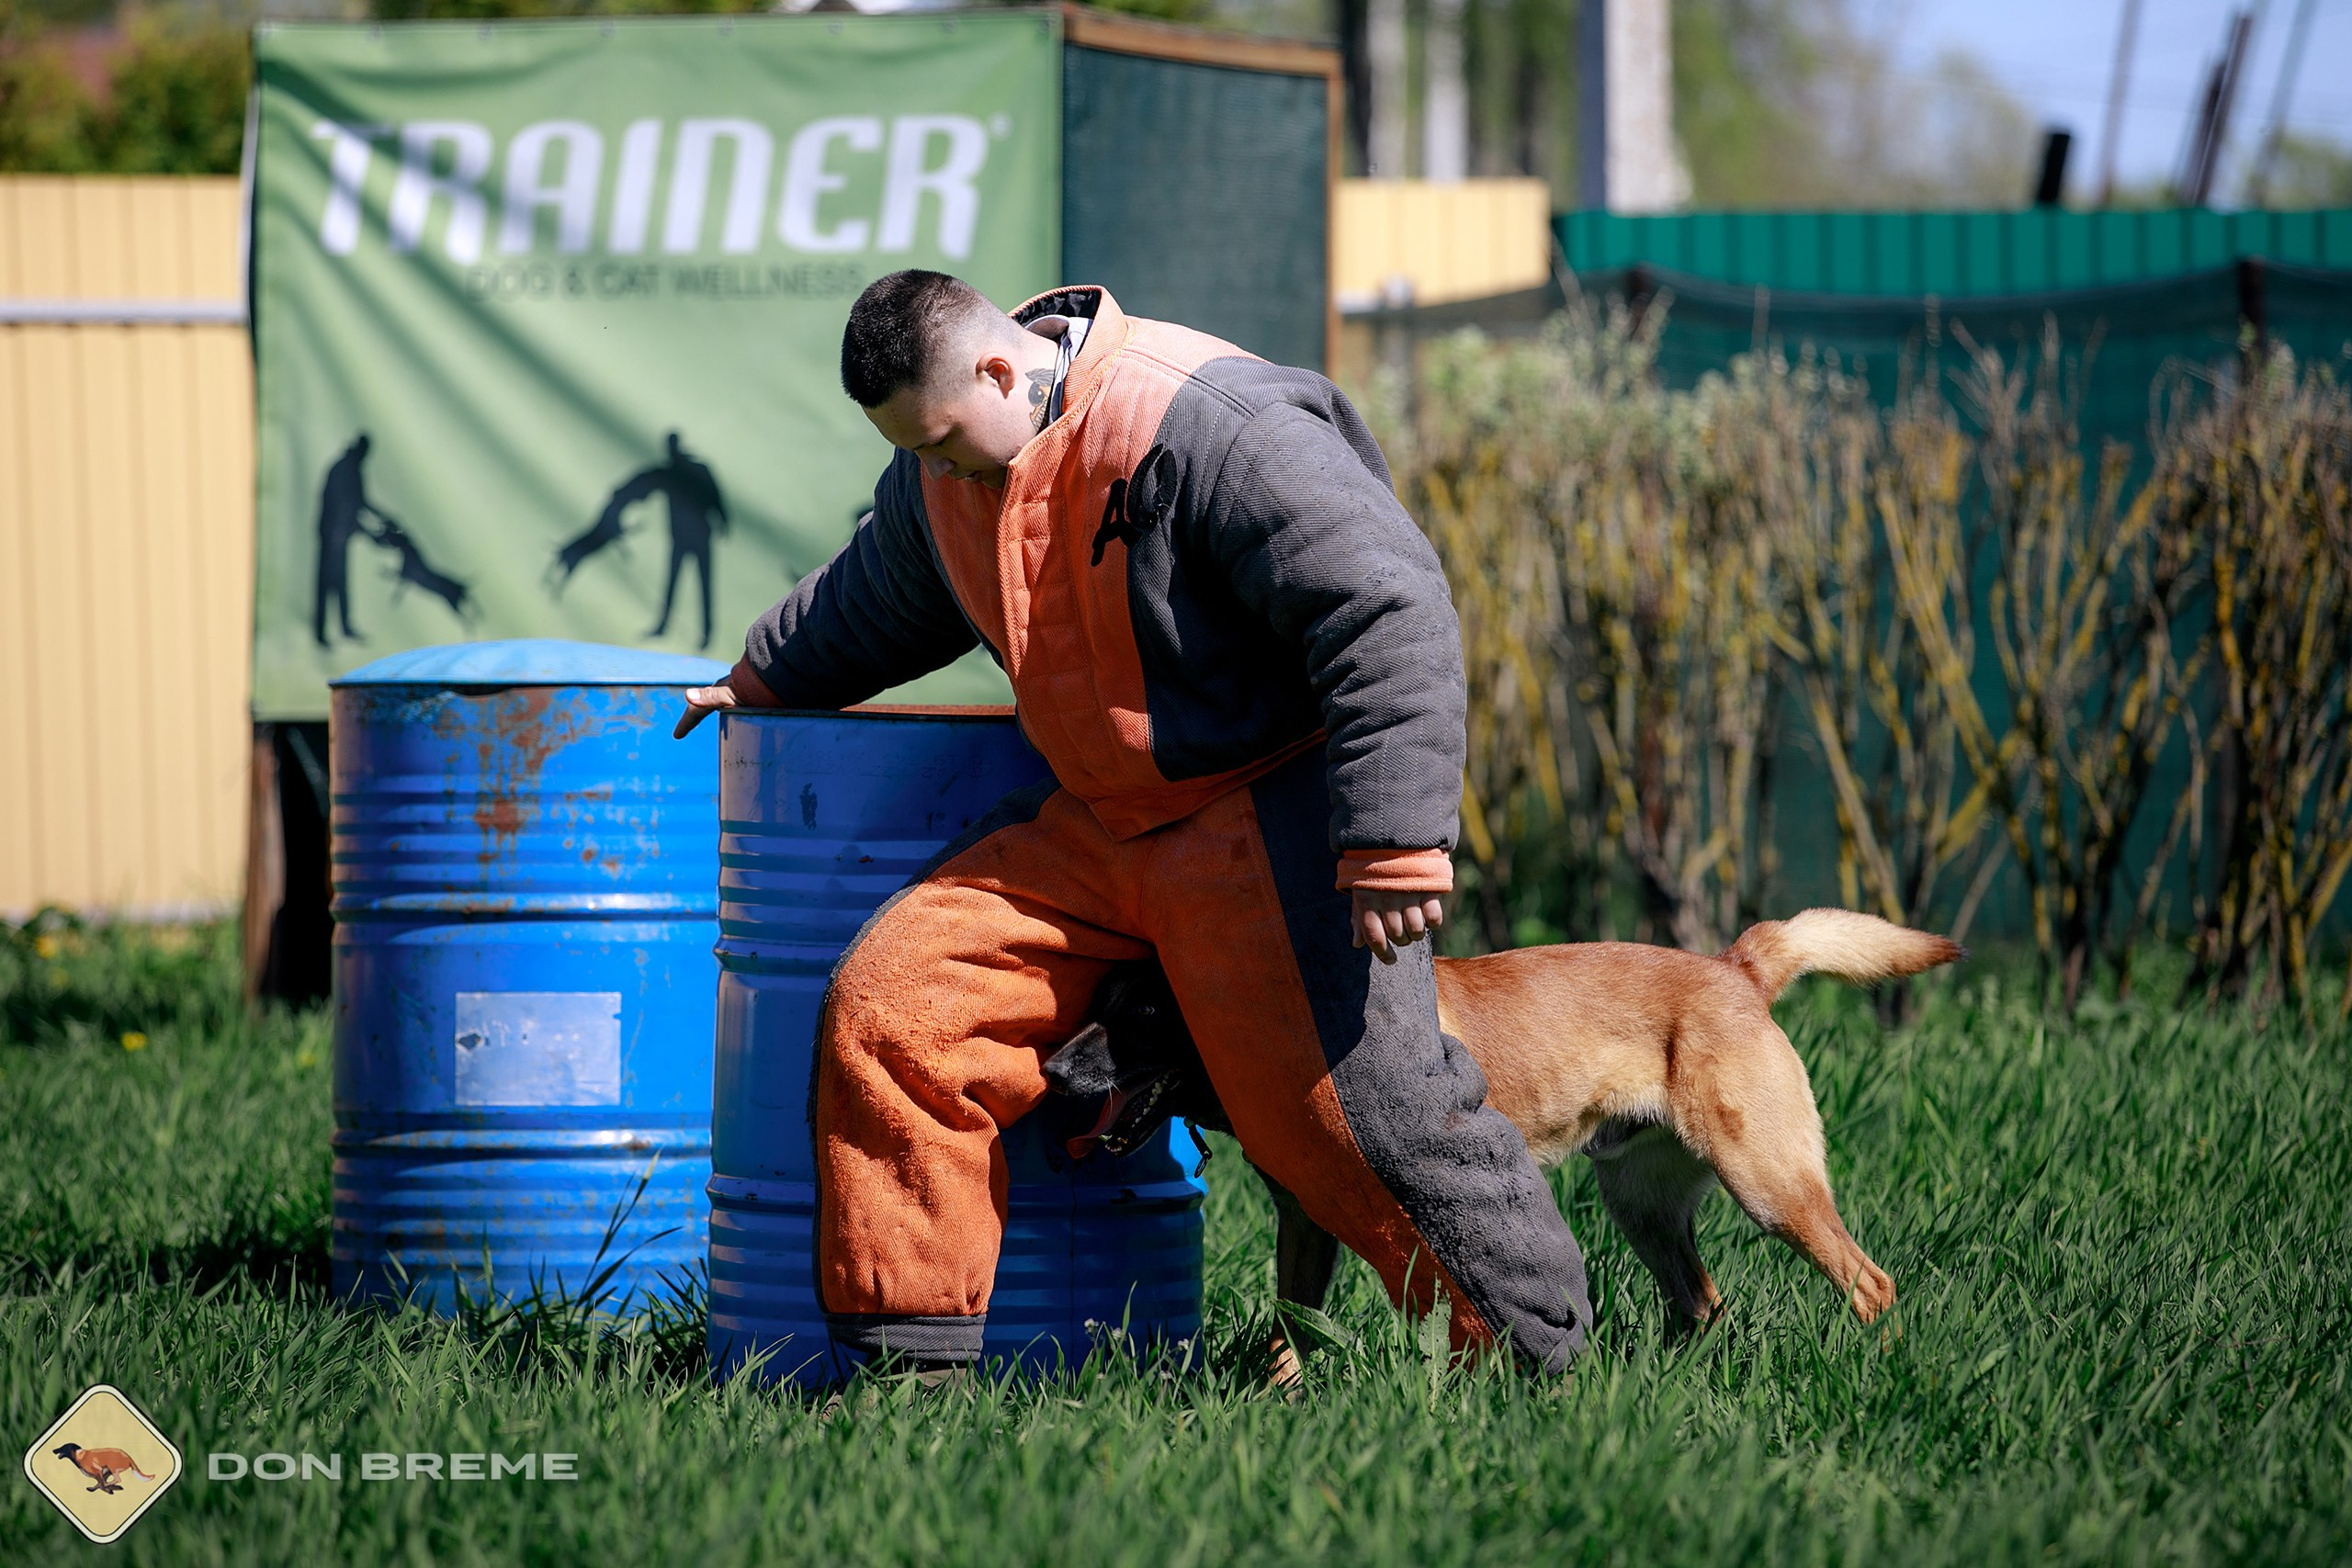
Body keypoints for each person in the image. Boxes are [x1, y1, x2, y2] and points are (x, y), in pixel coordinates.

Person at [674, 272, 1591, 1379]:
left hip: (1267, 810)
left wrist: (1393, 836)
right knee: (894, 1015)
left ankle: (1534, 1364)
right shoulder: (948, 470)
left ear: (1000, 367)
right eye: (911, 452)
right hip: (1101, 824)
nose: (931, 472)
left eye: (941, 442)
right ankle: (908, 1387)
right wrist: (760, 676)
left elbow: (1386, 604)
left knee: (1347, 1121)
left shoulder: (1211, 423)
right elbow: (877, 592)